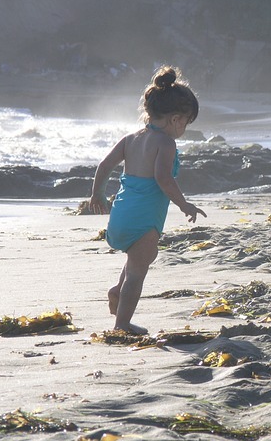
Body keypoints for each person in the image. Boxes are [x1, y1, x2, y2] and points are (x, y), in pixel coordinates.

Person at [89, 65, 207, 334]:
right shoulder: (165, 143)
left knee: (136, 260)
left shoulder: (131, 139)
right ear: (176, 119)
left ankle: (117, 292)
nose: (184, 129)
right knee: (138, 272)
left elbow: (105, 166)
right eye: (187, 123)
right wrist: (184, 204)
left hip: (120, 215)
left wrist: (97, 193)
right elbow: (163, 179)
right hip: (144, 218)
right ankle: (122, 323)